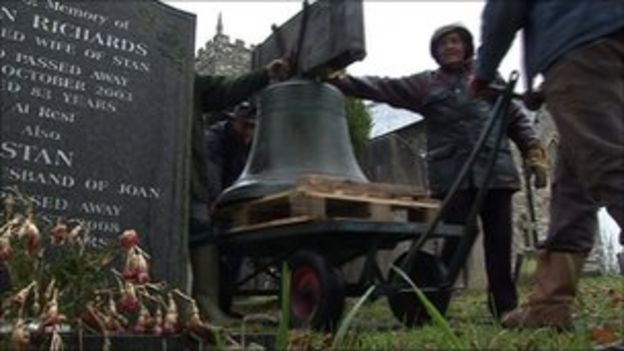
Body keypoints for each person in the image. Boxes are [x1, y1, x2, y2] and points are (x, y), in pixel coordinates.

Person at [329, 24, 547, 320]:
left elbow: (516, 118)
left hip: (495, 174)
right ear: (436, 52)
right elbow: (384, 87)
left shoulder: (488, 80)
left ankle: (504, 307)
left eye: (456, 41)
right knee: (457, 238)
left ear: (466, 46)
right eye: (443, 44)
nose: (450, 47)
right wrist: (343, 81)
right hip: (453, 177)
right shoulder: (426, 85)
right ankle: (433, 302)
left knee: (499, 242)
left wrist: (533, 152)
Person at [470, 0, 624, 329]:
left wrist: (483, 73)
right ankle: (549, 307)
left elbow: (504, 9)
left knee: (609, 167)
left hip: (582, 46)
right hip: (601, 42)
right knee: (573, 191)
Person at [190, 59, 290, 323]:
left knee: (236, 249)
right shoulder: (215, 138)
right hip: (212, 201)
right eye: (244, 125)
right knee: (210, 240)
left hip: (232, 205)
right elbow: (210, 169)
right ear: (233, 120)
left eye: (254, 128)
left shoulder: (253, 145)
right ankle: (210, 307)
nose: (248, 133)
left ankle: (224, 305)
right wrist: (215, 201)